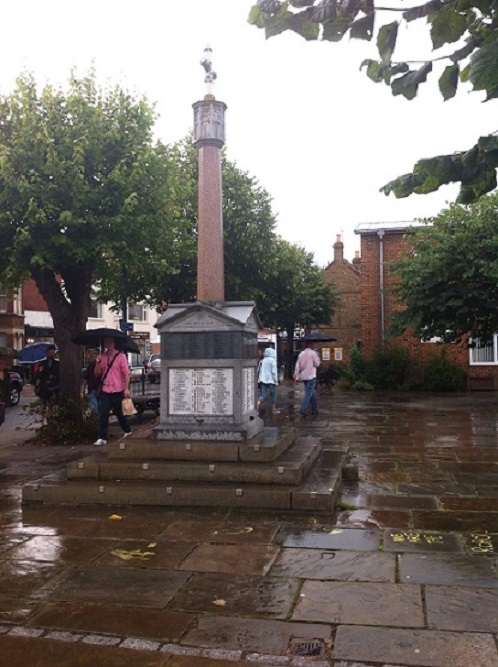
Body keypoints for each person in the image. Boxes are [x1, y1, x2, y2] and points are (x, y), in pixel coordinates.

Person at [93, 336, 132, 446]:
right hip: (106, 389)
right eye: (106, 342)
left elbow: (126, 374)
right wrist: (97, 363)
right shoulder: (102, 357)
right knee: (103, 413)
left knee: (120, 413)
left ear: (114, 343)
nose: (109, 344)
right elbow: (97, 374)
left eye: (111, 342)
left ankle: (127, 430)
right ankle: (102, 437)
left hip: (117, 389)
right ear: (104, 344)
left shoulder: (121, 356)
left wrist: (126, 388)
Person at [34, 344, 60, 425]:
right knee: (43, 405)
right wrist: (40, 371)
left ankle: (50, 421)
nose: (51, 354)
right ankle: (41, 423)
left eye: (52, 353)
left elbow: (59, 376)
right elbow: (38, 376)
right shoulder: (42, 363)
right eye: (49, 353)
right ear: (47, 353)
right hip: (43, 388)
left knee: (51, 405)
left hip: (53, 387)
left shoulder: (57, 363)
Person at [294, 340, 321, 417]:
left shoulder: (301, 354)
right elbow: (317, 364)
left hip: (304, 376)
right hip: (311, 376)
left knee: (311, 392)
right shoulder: (313, 353)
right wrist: (318, 358)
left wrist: (296, 376)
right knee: (309, 393)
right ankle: (303, 409)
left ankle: (315, 409)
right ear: (311, 345)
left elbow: (298, 366)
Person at [257, 347, 280, 415]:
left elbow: (258, 370)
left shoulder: (262, 360)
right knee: (273, 394)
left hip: (263, 380)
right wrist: (276, 381)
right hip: (271, 380)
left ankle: (258, 403)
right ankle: (273, 409)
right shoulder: (272, 360)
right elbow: (274, 372)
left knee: (263, 394)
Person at [82, 348, 99, 414]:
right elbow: (86, 378)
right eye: (91, 353)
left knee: (96, 407)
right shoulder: (90, 365)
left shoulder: (101, 364)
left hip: (99, 389)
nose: (91, 355)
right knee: (93, 406)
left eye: (94, 353)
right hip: (91, 389)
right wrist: (83, 388)